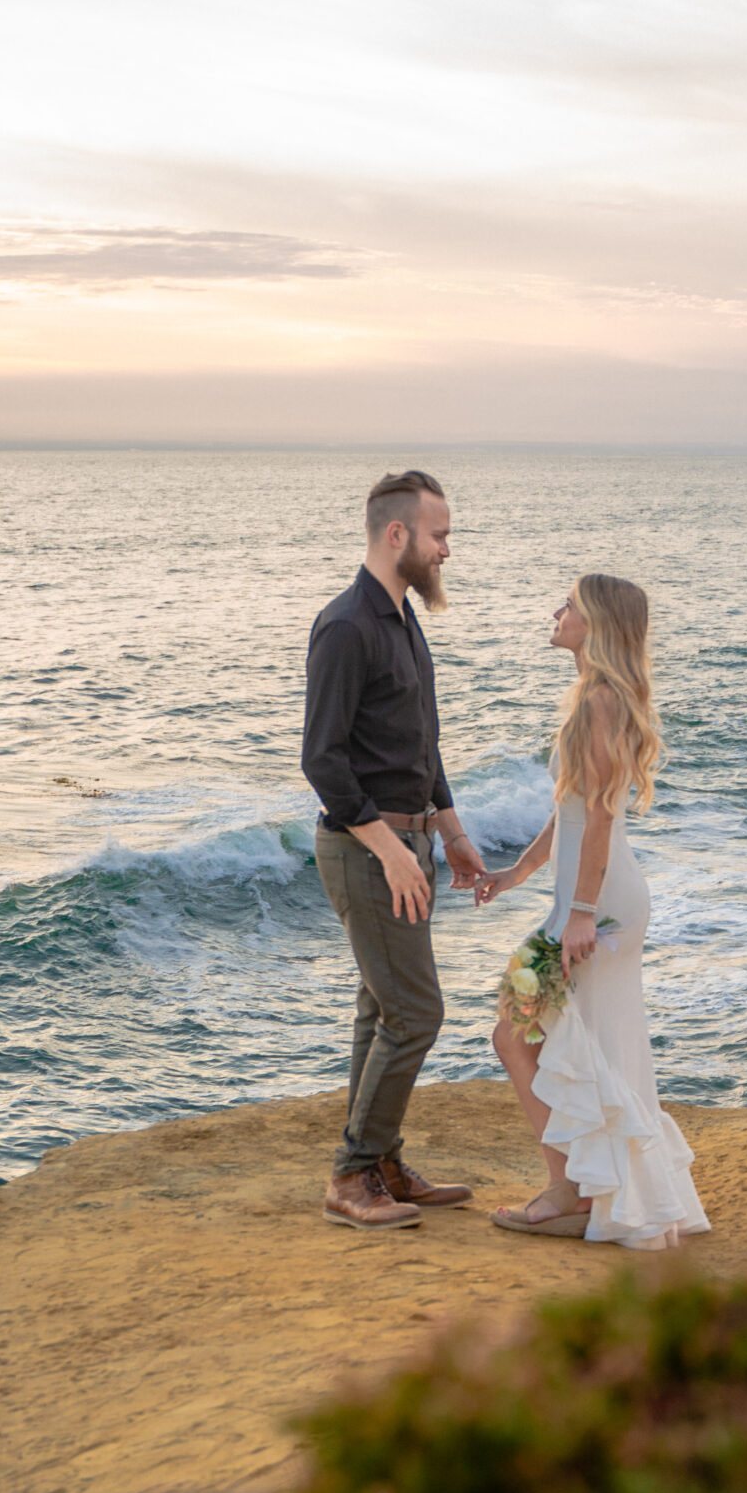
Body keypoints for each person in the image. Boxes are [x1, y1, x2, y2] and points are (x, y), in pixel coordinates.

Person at [476, 573, 708, 1247]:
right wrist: (518, 872)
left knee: (516, 1031)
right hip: (595, 899)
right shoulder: (598, 699)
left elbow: (601, 815)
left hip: (596, 907)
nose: (557, 613)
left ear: (596, 625)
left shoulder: (597, 704)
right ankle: (591, 1187)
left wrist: (576, 913)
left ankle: (569, 1192)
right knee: (566, 1037)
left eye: (569, 606)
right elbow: (571, 808)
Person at [302, 467, 488, 1230]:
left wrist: (451, 833)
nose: (447, 549)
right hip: (367, 851)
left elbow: (421, 747)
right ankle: (352, 1175)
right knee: (415, 1012)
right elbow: (324, 760)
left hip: (410, 845)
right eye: (439, 534)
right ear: (397, 534)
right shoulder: (346, 626)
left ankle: (377, 1163)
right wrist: (391, 849)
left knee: (381, 1009)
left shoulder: (403, 621)